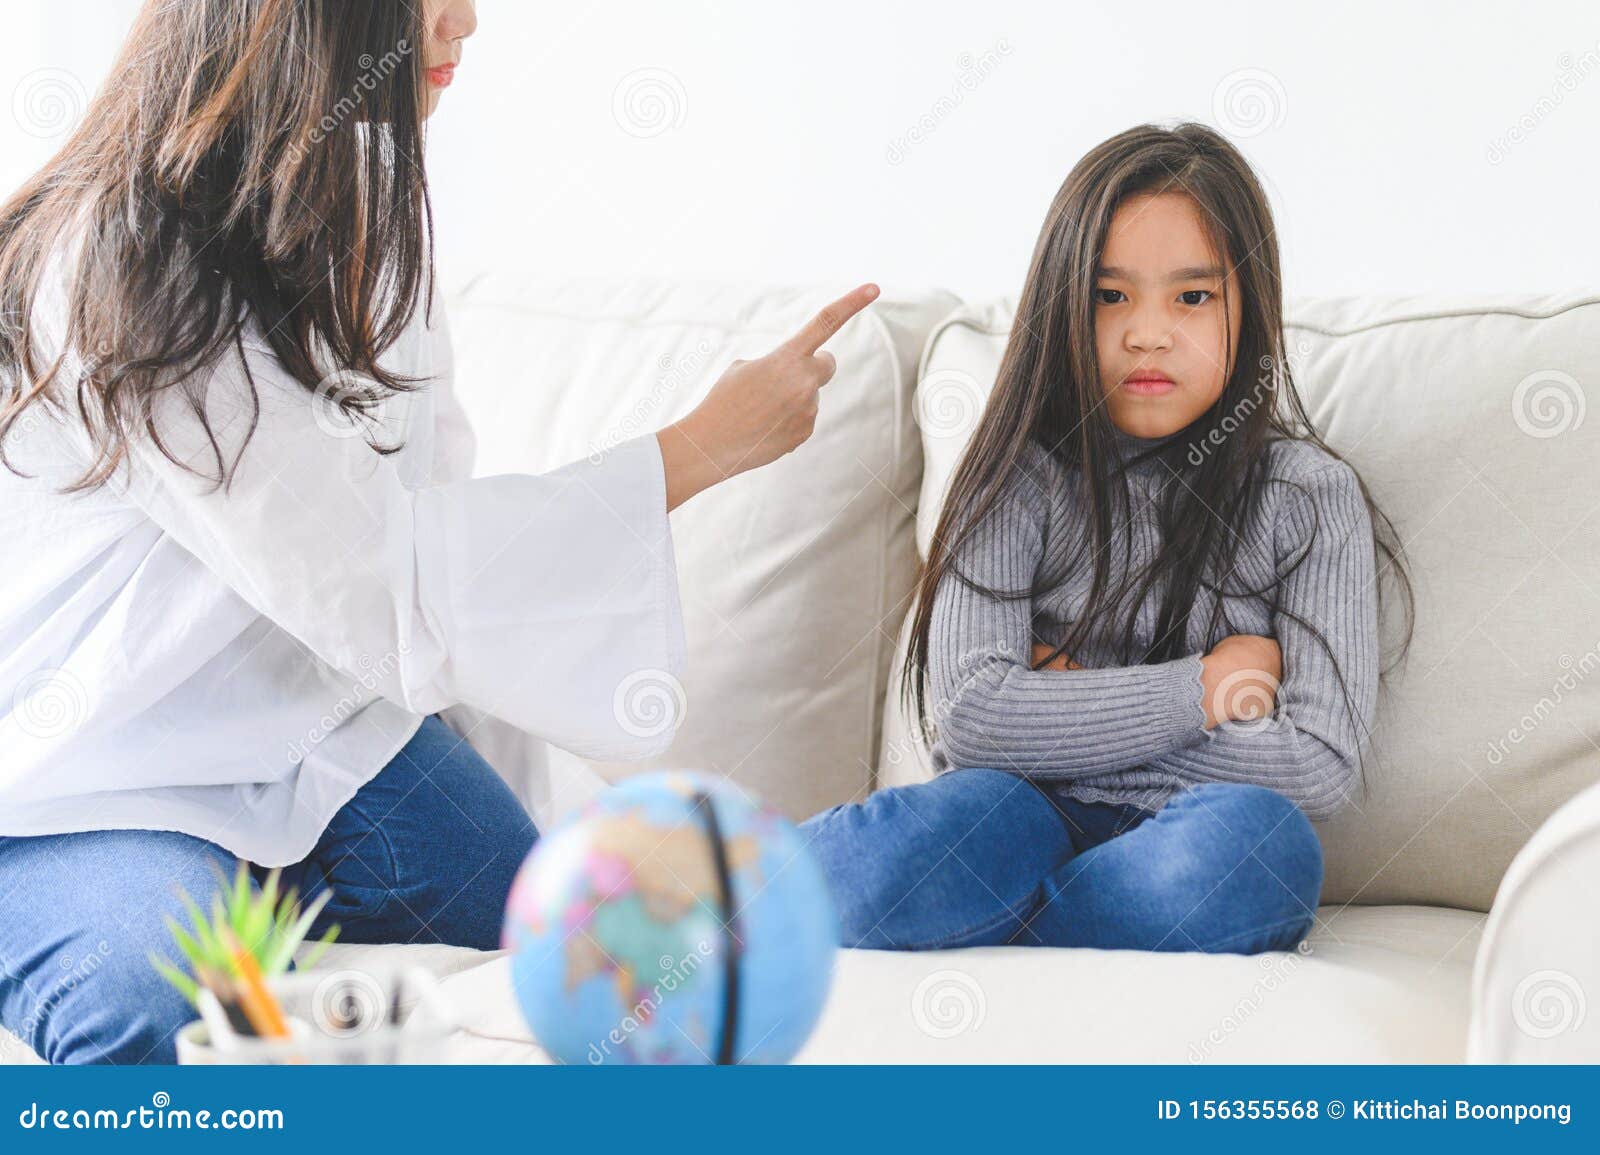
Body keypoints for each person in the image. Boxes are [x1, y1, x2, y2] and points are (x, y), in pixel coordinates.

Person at [0, 0, 876, 1064]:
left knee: (595, 970)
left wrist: (525, 807)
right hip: (96, 776)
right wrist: (697, 450)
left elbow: (442, 544)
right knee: (152, 1005)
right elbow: (374, 584)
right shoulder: (115, 254)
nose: (466, 18)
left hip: (325, 741)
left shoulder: (365, 209)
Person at [800, 122, 1414, 955]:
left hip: (1185, 836)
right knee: (907, 848)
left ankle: (1022, 924)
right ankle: (698, 882)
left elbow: (1316, 761)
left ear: (1250, 308)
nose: (1148, 333)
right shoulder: (1017, 477)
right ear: (1063, 305)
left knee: (1263, 851)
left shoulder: (1307, 495)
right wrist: (1205, 688)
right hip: (1014, 812)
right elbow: (975, 717)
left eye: (1192, 297)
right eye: (1110, 295)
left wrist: (1060, 704)